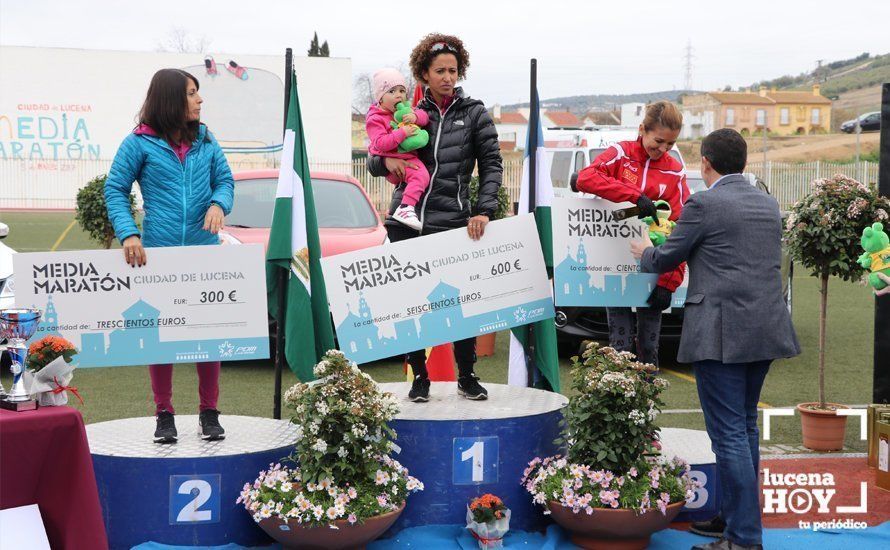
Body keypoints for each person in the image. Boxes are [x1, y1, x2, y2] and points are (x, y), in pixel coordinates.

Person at [631, 128, 800, 550]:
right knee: (743, 429)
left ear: (705, 162)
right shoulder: (768, 201)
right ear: (741, 163)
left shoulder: (704, 202)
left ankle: (743, 537)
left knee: (729, 434)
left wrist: (643, 252)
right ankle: (732, 518)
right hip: (765, 327)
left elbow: (669, 255)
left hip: (721, 332)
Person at [367, 33, 502, 403]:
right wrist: (383, 162)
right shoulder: (403, 110)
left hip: (453, 221)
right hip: (405, 221)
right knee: (411, 303)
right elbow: (374, 150)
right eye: (439, 70)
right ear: (423, 74)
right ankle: (420, 377)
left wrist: (484, 210)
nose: (447, 77)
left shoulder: (474, 113)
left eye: (453, 70)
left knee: (460, 305)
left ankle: (468, 376)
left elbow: (491, 164)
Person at [105, 68, 234, 444]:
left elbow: (225, 181)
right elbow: (115, 188)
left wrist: (217, 204)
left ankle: (209, 412)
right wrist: (129, 233)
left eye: (198, 93)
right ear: (171, 99)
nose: (199, 100)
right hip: (157, 256)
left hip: (203, 254)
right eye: (192, 93)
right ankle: (164, 414)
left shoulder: (207, 139)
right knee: (161, 338)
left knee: (208, 336)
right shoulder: (139, 143)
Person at [573, 101, 689, 369]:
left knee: (649, 348)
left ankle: (646, 406)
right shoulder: (620, 154)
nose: (662, 150)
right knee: (620, 346)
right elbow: (585, 179)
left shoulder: (674, 171)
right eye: (658, 141)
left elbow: (680, 229)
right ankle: (620, 404)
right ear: (642, 130)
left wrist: (669, 282)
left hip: (652, 269)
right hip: (615, 267)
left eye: (670, 145)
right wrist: (635, 196)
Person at [366, 68, 430, 231]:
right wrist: (402, 133)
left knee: (420, 176)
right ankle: (405, 208)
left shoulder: (404, 111)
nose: (399, 95)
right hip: (393, 161)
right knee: (421, 176)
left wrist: (415, 117)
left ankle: (406, 207)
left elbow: (424, 116)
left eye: (402, 90)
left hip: (406, 158)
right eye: (392, 91)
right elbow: (380, 143)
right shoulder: (375, 119)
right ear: (380, 98)